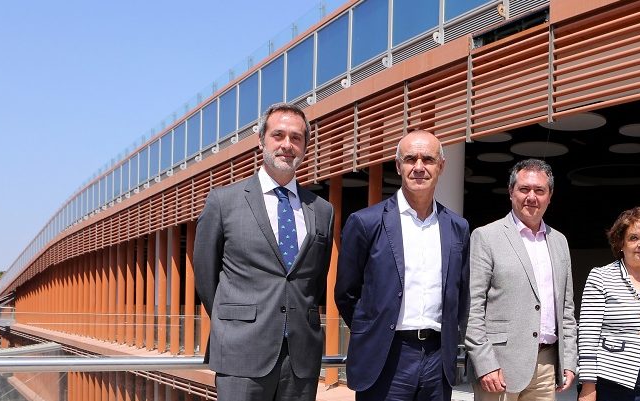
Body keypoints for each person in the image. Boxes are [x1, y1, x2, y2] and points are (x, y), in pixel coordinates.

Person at [193, 103, 335, 401]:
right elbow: (206, 278)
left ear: (305, 146)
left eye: (296, 138)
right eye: (278, 135)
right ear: (261, 141)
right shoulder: (224, 201)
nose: (287, 144)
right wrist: (237, 320)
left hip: (300, 358)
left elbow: (313, 281)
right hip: (240, 352)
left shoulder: (322, 210)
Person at [335, 130, 471, 401]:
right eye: (410, 159)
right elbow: (346, 294)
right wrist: (375, 329)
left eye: (428, 160)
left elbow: (461, 293)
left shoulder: (458, 227)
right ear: (398, 166)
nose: (419, 167)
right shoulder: (366, 223)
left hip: (437, 358)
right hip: (386, 357)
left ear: (441, 166)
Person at [466, 159, 578, 401]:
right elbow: (472, 308)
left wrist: (568, 359)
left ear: (550, 196)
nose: (532, 197)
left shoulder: (559, 241)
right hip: (498, 368)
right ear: (511, 192)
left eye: (539, 191)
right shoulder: (486, 236)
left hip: (546, 366)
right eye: (524, 189)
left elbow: (567, 310)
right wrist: (485, 363)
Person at [577, 207, 640, 401]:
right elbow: (588, 336)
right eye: (633, 238)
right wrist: (588, 388)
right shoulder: (601, 277)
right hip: (613, 383)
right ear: (620, 243)